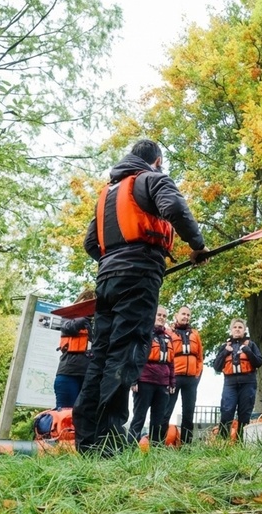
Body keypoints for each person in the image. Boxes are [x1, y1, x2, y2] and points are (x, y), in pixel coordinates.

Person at [75, 139, 208, 455]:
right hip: (139, 275)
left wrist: (115, 261)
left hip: (107, 278)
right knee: (127, 353)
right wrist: (197, 245)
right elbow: (174, 208)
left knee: (103, 355)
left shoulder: (107, 194)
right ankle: (109, 440)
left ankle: (88, 439)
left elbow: (91, 243)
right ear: (157, 160)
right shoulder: (152, 178)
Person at [128, 306, 175, 444]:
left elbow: (171, 362)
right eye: (158, 314)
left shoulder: (168, 337)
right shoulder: (143, 334)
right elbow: (135, 357)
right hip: (145, 381)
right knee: (139, 417)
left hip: (162, 383)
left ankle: (155, 450)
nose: (161, 317)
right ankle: (130, 449)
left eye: (164, 316)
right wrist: (133, 380)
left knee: (158, 420)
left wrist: (172, 381)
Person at [212, 318, 262, 440]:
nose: (237, 329)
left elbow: (259, 362)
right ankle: (223, 442)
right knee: (226, 411)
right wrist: (225, 352)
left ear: (244, 330)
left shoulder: (250, 345)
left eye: (240, 327)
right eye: (235, 327)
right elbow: (217, 367)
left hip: (248, 383)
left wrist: (248, 351)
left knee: (245, 414)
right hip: (230, 384)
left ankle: (242, 443)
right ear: (231, 330)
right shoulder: (225, 346)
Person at [161, 305, 204, 444]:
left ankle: (186, 444)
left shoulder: (195, 334)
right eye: (183, 314)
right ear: (176, 315)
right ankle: (159, 442)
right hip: (174, 377)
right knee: (166, 410)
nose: (185, 317)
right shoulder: (169, 333)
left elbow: (200, 358)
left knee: (188, 412)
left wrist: (197, 375)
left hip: (191, 378)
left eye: (188, 315)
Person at [53, 289, 97, 408]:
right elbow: (68, 328)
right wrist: (85, 317)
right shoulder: (68, 318)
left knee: (84, 417)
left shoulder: (99, 323)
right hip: (68, 374)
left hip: (89, 377)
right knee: (65, 414)